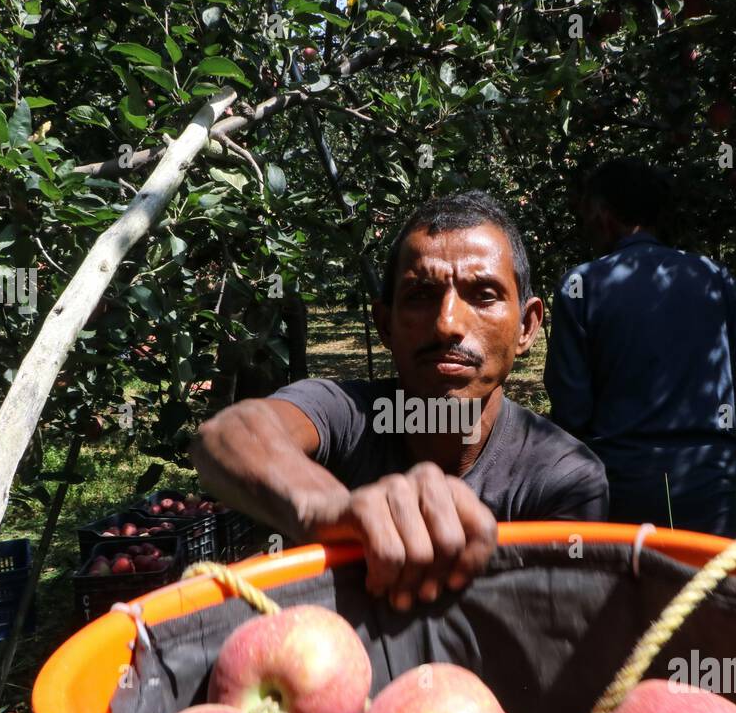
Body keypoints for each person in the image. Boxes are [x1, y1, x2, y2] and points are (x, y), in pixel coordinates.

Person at [192, 190, 608, 611]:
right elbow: (230, 435)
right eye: (421, 295)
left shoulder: (563, 478)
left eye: (483, 294)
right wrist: (329, 507)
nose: (447, 324)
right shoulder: (348, 415)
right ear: (385, 325)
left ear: (527, 327)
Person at [544, 159, 736, 538]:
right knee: (708, 591)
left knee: (628, 592)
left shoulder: (581, 285)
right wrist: (720, 452)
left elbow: (571, 405)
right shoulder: (714, 277)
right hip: (708, 481)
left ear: (603, 214)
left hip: (619, 485)